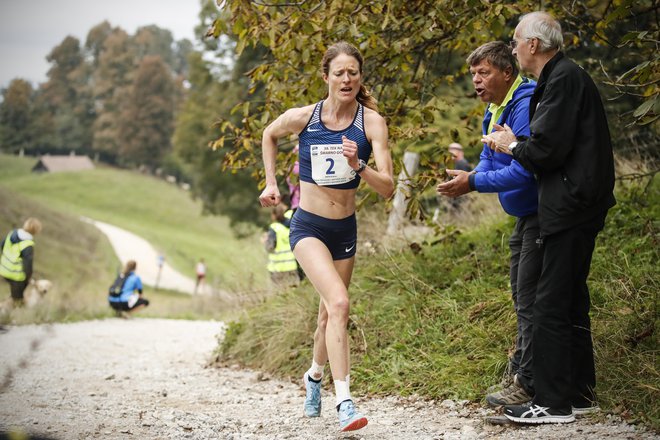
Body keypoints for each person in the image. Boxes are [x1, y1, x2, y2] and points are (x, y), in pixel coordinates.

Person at [483, 11, 616, 424]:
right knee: (572, 301)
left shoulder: (561, 79)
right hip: (579, 204)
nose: (513, 47)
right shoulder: (560, 77)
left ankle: (552, 402)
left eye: (515, 40)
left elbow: (545, 150)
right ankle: (579, 394)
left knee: (549, 304)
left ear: (534, 45)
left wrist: (510, 144)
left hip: (571, 206)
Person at [258, 41, 394, 432]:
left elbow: (387, 187)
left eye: (353, 72)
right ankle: (346, 402)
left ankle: (314, 376)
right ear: (326, 77)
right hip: (308, 227)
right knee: (339, 302)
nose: (347, 79)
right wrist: (271, 184)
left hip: (344, 230)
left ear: (360, 77)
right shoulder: (305, 117)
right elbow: (269, 134)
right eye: (340, 72)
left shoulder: (372, 123)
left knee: (327, 316)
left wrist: (359, 164)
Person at [437, 41, 540, 407]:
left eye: (484, 73)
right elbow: (487, 159)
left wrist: (473, 182)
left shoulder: (524, 104)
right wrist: (467, 176)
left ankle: (528, 384)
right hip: (523, 217)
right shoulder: (494, 109)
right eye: (473, 75)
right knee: (520, 293)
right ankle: (524, 372)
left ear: (507, 72)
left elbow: (523, 172)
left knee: (530, 298)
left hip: (543, 213)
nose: (476, 81)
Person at [0, 217, 42, 307]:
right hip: (15, 275)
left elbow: (2, 245)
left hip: (3, 269)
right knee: (18, 299)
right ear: (36, 231)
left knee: (15, 294)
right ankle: (14, 312)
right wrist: (29, 277)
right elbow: (28, 265)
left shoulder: (12, 234)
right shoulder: (28, 245)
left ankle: (10, 302)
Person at [263, 203, 299, 288]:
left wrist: (265, 241)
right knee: (293, 290)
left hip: (277, 268)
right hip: (291, 266)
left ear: (274, 215)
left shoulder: (274, 227)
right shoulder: (292, 226)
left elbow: (270, 247)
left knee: (280, 292)